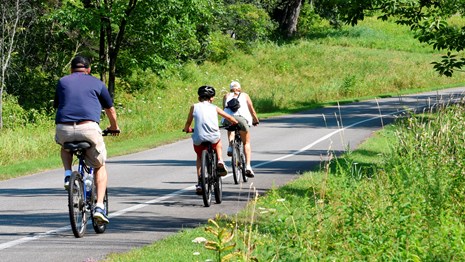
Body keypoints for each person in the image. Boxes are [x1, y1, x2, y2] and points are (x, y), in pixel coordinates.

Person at [54, 56, 120, 224]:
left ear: (71, 69)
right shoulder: (96, 82)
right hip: (88, 128)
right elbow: (110, 109)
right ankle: (99, 207)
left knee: (64, 146)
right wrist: (114, 127)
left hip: (64, 128)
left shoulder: (62, 82)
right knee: (99, 165)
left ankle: (68, 175)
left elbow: (58, 104)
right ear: (88, 70)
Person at [183, 85, 238, 194]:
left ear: (199, 97)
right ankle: (220, 160)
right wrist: (235, 124)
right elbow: (230, 118)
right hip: (213, 137)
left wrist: (187, 129)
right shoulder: (214, 108)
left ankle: (199, 182)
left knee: (199, 157)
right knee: (218, 141)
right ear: (211, 98)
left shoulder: (194, 107)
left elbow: (188, 122)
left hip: (199, 138)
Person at [222, 81, 259, 177]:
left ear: (230, 88)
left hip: (228, 119)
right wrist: (255, 119)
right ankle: (248, 166)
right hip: (242, 119)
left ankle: (230, 146)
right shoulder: (245, 95)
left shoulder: (226, 96)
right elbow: (251, 108)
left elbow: (224, 110)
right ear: (240, 88)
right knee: (246, 142)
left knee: (231, 128)